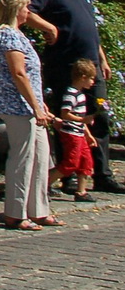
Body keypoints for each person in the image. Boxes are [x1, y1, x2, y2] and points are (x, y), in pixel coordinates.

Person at [30, 0, 122, 194]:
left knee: (99, 115)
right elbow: (26, 12)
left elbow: (90, 28)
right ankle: (67, 175)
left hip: (92, 68)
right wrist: (47, 26)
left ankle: (101, 174)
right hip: (66, 69)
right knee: (68, 120)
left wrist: (102, 59)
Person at [0, 0, 56, 231]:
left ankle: (38, 209)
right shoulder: (8, 35)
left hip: (30, 105)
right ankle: (15, 213)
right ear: (17, 9)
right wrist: (34, 106)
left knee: (40, 155)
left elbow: (30, 75)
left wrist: (41, 106)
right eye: (26, 7)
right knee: (23, 157)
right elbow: (18, 73)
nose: (28, 12)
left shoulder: (18, 35)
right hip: (16, 105)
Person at [49, 58, 99, 204]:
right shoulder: (71, 94)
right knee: (71, 162)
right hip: (71, 133)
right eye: (91, 79)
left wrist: (88, 135)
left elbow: (81, 118)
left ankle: (81, 191)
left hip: (79, 133)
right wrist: (82, 121)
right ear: (83, 78)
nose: (92, 82)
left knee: (86, 161)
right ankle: (45, 183)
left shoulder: (81, 94)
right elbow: (65, 114)